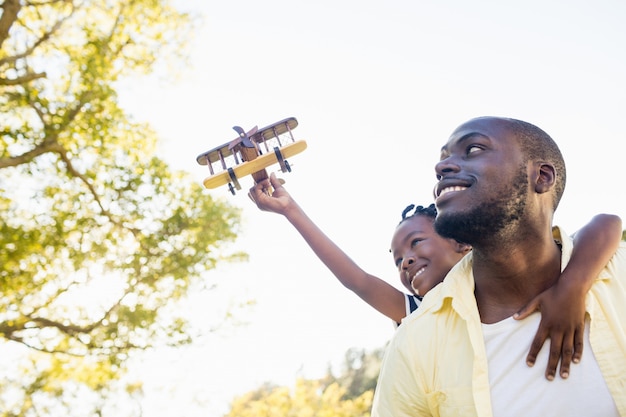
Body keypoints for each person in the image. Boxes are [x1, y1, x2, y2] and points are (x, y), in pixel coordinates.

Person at [249, 172, 622, 381]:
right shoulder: (421, 313)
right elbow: (357, 280)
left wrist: (571, 287)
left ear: (461, 243)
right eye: (398, 260)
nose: (406, 262)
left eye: (415, 244)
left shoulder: (508, 268)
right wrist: (290, 211)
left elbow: (606, 224)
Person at [371, 116, 626, 417]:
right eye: (443, 158)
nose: (441, 167)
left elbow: (607, 221)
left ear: (541, 177)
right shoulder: (414, 344)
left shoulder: (617, 273)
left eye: (474, 149)